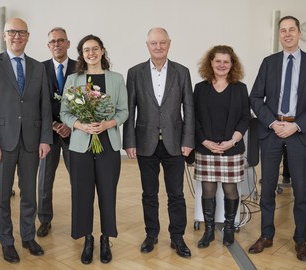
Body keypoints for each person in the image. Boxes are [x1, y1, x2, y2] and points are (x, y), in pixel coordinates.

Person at [248, 15, 306, 261]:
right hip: (272, 133)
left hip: (298, 134)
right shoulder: (269, 63)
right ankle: (266, 235)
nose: (287, 34)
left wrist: (297, 126)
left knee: (301, 192)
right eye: (283, 30)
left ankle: (301, 241)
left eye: (291, 30)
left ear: (299, 33)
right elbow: (255, 98)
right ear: (279, 35)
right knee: (268, 189)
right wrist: (273, 122)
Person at [0, 18, 53, 263]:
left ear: (28, 36)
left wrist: (45, 139)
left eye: (21, 32)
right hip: (3, 142)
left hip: (32, 141)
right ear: (4, 35)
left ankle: (28, 237)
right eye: (12, 32)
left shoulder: (37, 67)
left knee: (29, 193)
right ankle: (7, 242)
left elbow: (45, 107)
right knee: (1, 196)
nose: (16, 36)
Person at [123, 27, 195, 258]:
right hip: (145, 143)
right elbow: (130, 109)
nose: (158, 47)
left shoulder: (182, 72)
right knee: (149, 193)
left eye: (162, 42)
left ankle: (177, 237)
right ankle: (151, 234)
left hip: (175, 143)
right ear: (147, 45)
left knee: (176, 194)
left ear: (169, 44)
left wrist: (188, 140)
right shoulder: (135, 72)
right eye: (154, 43)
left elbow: (189, 109)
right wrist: (129, 141)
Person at [60, 34, 128, 265]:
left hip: (108, 144)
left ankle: (106, 238)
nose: (91, 53)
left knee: (107, 193)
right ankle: (87, 239)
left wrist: (108, 124)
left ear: (102, 51)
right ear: (82, 54)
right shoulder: (73, 79)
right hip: (80, 145)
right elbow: (65, 113)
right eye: (86, 50)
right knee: (82, 194)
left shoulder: (117, 79)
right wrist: (81, 125)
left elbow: (124, 111)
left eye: (95, 48)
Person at [193, 45, 250, 248]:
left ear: (232, 64)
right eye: (218, 61)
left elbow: (245, 118)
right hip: (206, 148)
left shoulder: (240, 88)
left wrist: (232, 141)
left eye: (226, 61)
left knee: (230, 190)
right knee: (207, 191)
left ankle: (228, 230)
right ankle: (208, 232)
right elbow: (194, 119)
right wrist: (205, 142)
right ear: (211, 63)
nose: (222, 65)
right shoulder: (200, 88)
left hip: (231, 148)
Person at [37, 27, 76, 237]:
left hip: (74, 132)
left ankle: (79, 219)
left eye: (61, 40)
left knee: (78, 179)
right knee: (44, 180)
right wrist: (54, 125)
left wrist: (71, 124)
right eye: (53, 41)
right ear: (48, 46)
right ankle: (44, 220)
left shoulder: (80, 68)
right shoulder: (39, 69)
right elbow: (35, 103)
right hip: (48, 133)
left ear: (68, 43)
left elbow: (89, 99)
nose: (57, 44)